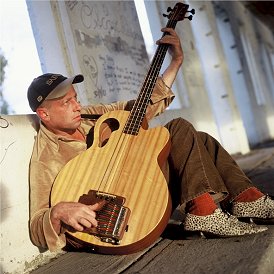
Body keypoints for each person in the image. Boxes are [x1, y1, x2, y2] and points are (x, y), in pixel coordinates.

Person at [28, 27, 274, 252]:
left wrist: (176, 62)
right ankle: (205, 211)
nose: (77, 105)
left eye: (75, 97)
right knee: (178, 129)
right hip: (118, 220)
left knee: (200, 140)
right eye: (66, 102)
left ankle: (245, 199)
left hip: (144, 189)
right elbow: (37, 224)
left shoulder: (91, 117)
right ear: (44, 114)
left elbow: (139, 108)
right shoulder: (46, 157)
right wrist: (58, 211)